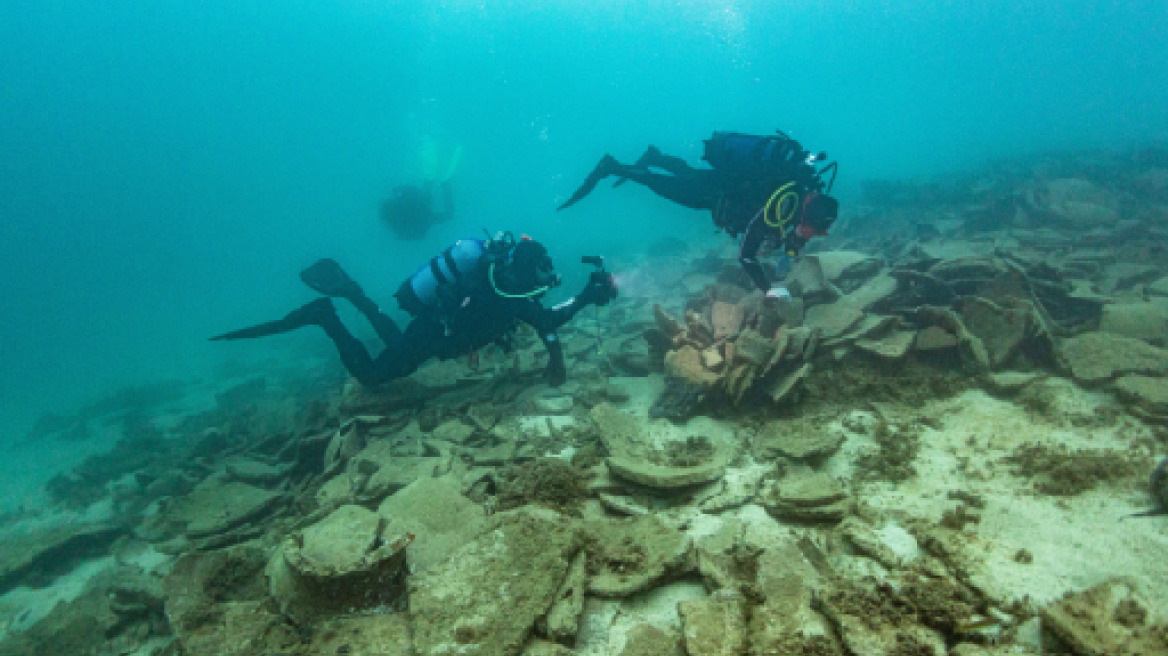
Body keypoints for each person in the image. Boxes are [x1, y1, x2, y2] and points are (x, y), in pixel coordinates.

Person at [210, 233, 618, 387]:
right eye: (541, 271)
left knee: (402, 345)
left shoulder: (502, 282)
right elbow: (546, 321)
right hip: (434, 333)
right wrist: (586, 296)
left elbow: (542, 319)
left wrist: (582, 299)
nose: (547, 277)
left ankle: (352, 293)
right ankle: (325, 316)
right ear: (522, 270)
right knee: (375, 377)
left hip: (433, 327)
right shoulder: (503, 292)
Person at [558, 131, 840, 297]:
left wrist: (789, 254)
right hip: (714, 195)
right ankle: (611, 166)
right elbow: (746, 256)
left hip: (721, 184)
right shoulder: (779, 204)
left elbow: (795, 237)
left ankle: (655, 156)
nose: (816, 235)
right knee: (663, 186)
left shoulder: (802, 194)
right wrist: (768, 289)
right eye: (816, 230)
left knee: (688, 175)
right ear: (808, 215)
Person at [380, 180, 454, 240]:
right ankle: (437, 182)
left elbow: (404, 234)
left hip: (420, 220)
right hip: (420, 220)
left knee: (447, 215)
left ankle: (436, 182)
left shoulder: (394, 219)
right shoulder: (399, 206)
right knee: (447, 214)